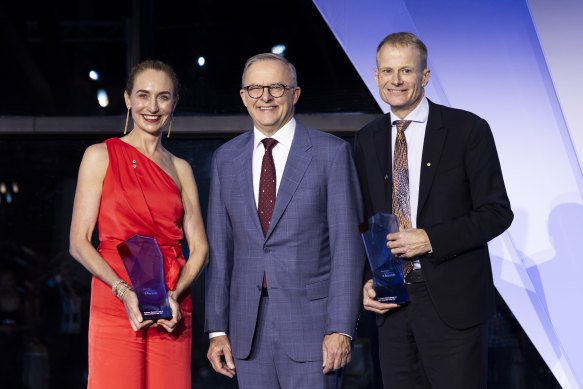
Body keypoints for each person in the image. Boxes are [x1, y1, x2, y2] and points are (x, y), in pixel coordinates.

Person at [354, 32, 513, 388]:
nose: (396, 80)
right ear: (376, 76)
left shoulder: (467, 129)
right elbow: (368, 219)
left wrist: (430, 239)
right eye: (387, 71)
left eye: (406, 70)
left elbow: (497, 212)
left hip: (453, 305)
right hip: (392, 301)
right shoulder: (366, 138)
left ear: (424, 77)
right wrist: (369, 278)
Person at [204, 53, 364, 388]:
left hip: (315, 329)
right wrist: (217, 330)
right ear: (243, 96)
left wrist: (340, 328)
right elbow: (220, 251)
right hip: (247, 332)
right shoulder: (225, 159)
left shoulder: (331, 153)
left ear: (295, 93)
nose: (265, 97)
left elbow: (347, 248)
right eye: (255, 88)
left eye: (276, 87)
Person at [69, 59, 209, 389]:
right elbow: (78, 241)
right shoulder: (99, 155)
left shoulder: (181, 168)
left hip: (171, 304)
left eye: (163, 97)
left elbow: (200, 248)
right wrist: (123, 291)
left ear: (174, 103)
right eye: (143, 95)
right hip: (116, 298)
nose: (152, 106)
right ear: (128, 99)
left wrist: (174, 294)